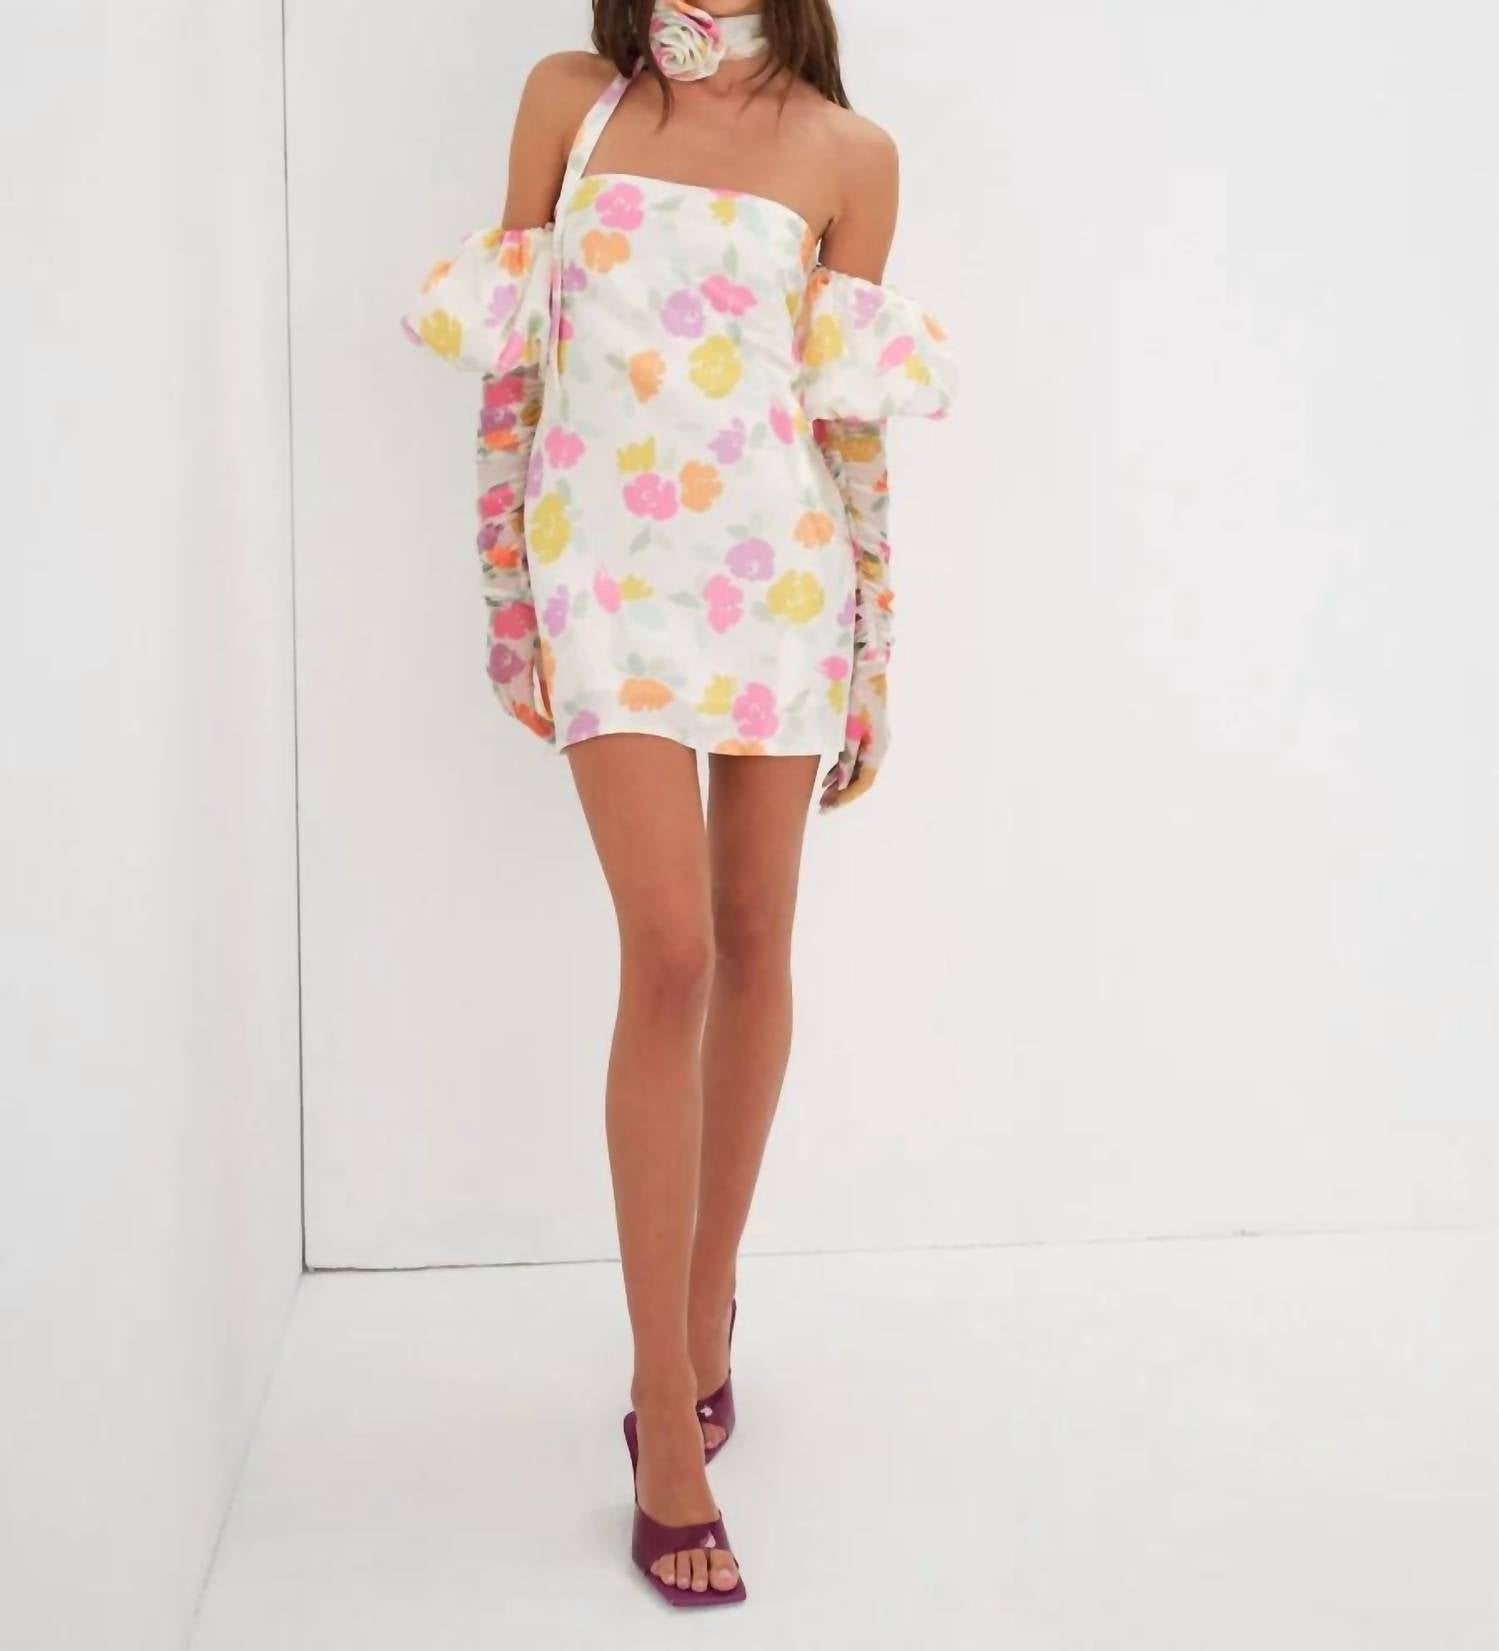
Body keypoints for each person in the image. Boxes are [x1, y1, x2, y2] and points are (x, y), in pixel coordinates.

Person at [402, 0, 956, 1608]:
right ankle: (661, 1400)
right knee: (671, 952)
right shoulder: (571, 100)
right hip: (603, 579)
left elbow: (847, 431)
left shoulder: (852, 154)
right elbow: (512, 374)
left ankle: (711, 1304)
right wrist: (508, 598)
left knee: (755, 933)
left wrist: (871, 651)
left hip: (778, 579)